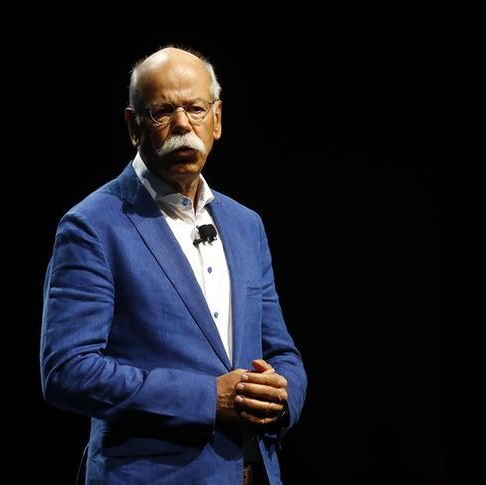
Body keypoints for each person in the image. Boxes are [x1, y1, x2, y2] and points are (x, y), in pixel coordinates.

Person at [39, 46, 307, 485]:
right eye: (163, 111)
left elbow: (281, 352)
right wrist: (206, 398)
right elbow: (67, 371)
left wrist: (282, 396)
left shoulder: (246, 225)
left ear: (217, 119)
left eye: (196, 109)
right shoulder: (91, 226)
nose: (184, 125)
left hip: (251, 472)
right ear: (133, 126)